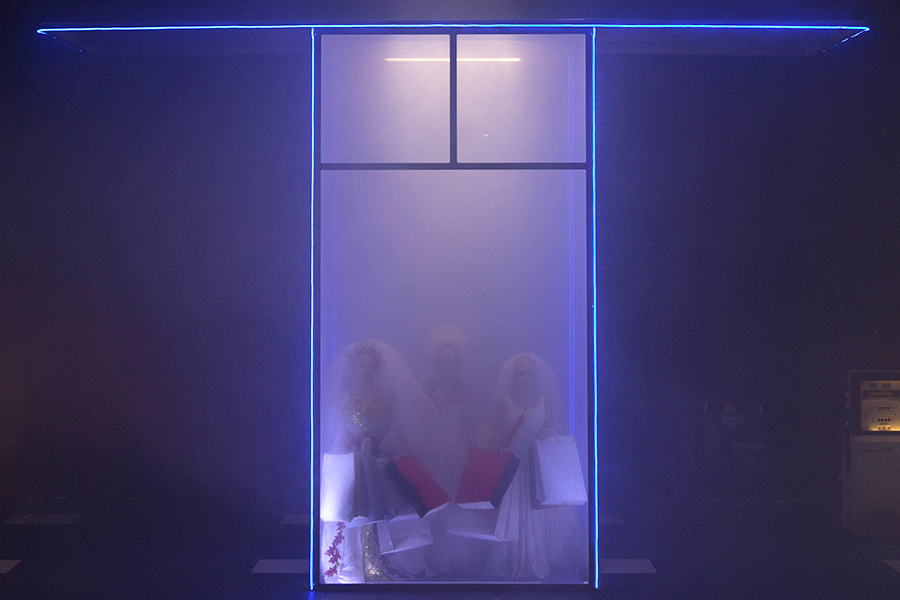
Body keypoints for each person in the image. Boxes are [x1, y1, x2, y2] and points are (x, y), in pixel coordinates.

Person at [320, 339, 441, 583]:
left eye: (370, 365)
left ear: (376, 367)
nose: (366, 369)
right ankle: (353, 560)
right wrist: (349, 438)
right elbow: (336, 425)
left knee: (385, 505)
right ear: (355, 367)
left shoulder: (386, 395)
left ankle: (381, 558)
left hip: (380, 457)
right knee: (353, 507)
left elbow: (397, 425)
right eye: (362, 365)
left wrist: (384, 440)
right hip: (354, 457)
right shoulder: (344, 395)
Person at [485, 352, 583, 581]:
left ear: (535, 376)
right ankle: (514, 557)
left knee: (540, 510)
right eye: (521, 374)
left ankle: (541, 556)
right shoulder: (505, 400)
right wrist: (502, 440)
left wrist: (548, 431)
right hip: (513, 464)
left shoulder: (544, 400)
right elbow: (495, 430)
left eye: (530, 373)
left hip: (538, 464)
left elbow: (550, 426)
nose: (526, 378)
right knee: (514, 510)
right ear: (515, 377)